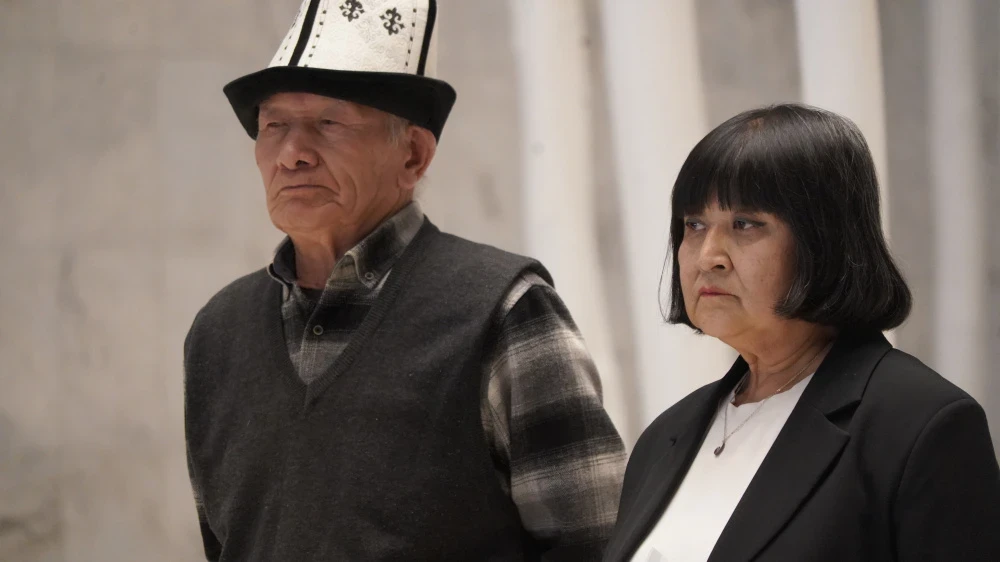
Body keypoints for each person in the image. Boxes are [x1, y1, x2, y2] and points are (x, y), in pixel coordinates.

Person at [182, 1, 625, 560]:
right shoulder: (217, 334)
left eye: (328, 123)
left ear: (413, 155)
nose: (291, 154)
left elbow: (601, 545)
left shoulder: (503, 310)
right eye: (273, 126)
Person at [602, 104, 1000, 562]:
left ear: (823, 241)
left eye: (744, 224)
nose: (708, 256)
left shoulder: (920, 426)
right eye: (694, 225)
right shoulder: (664, 438)